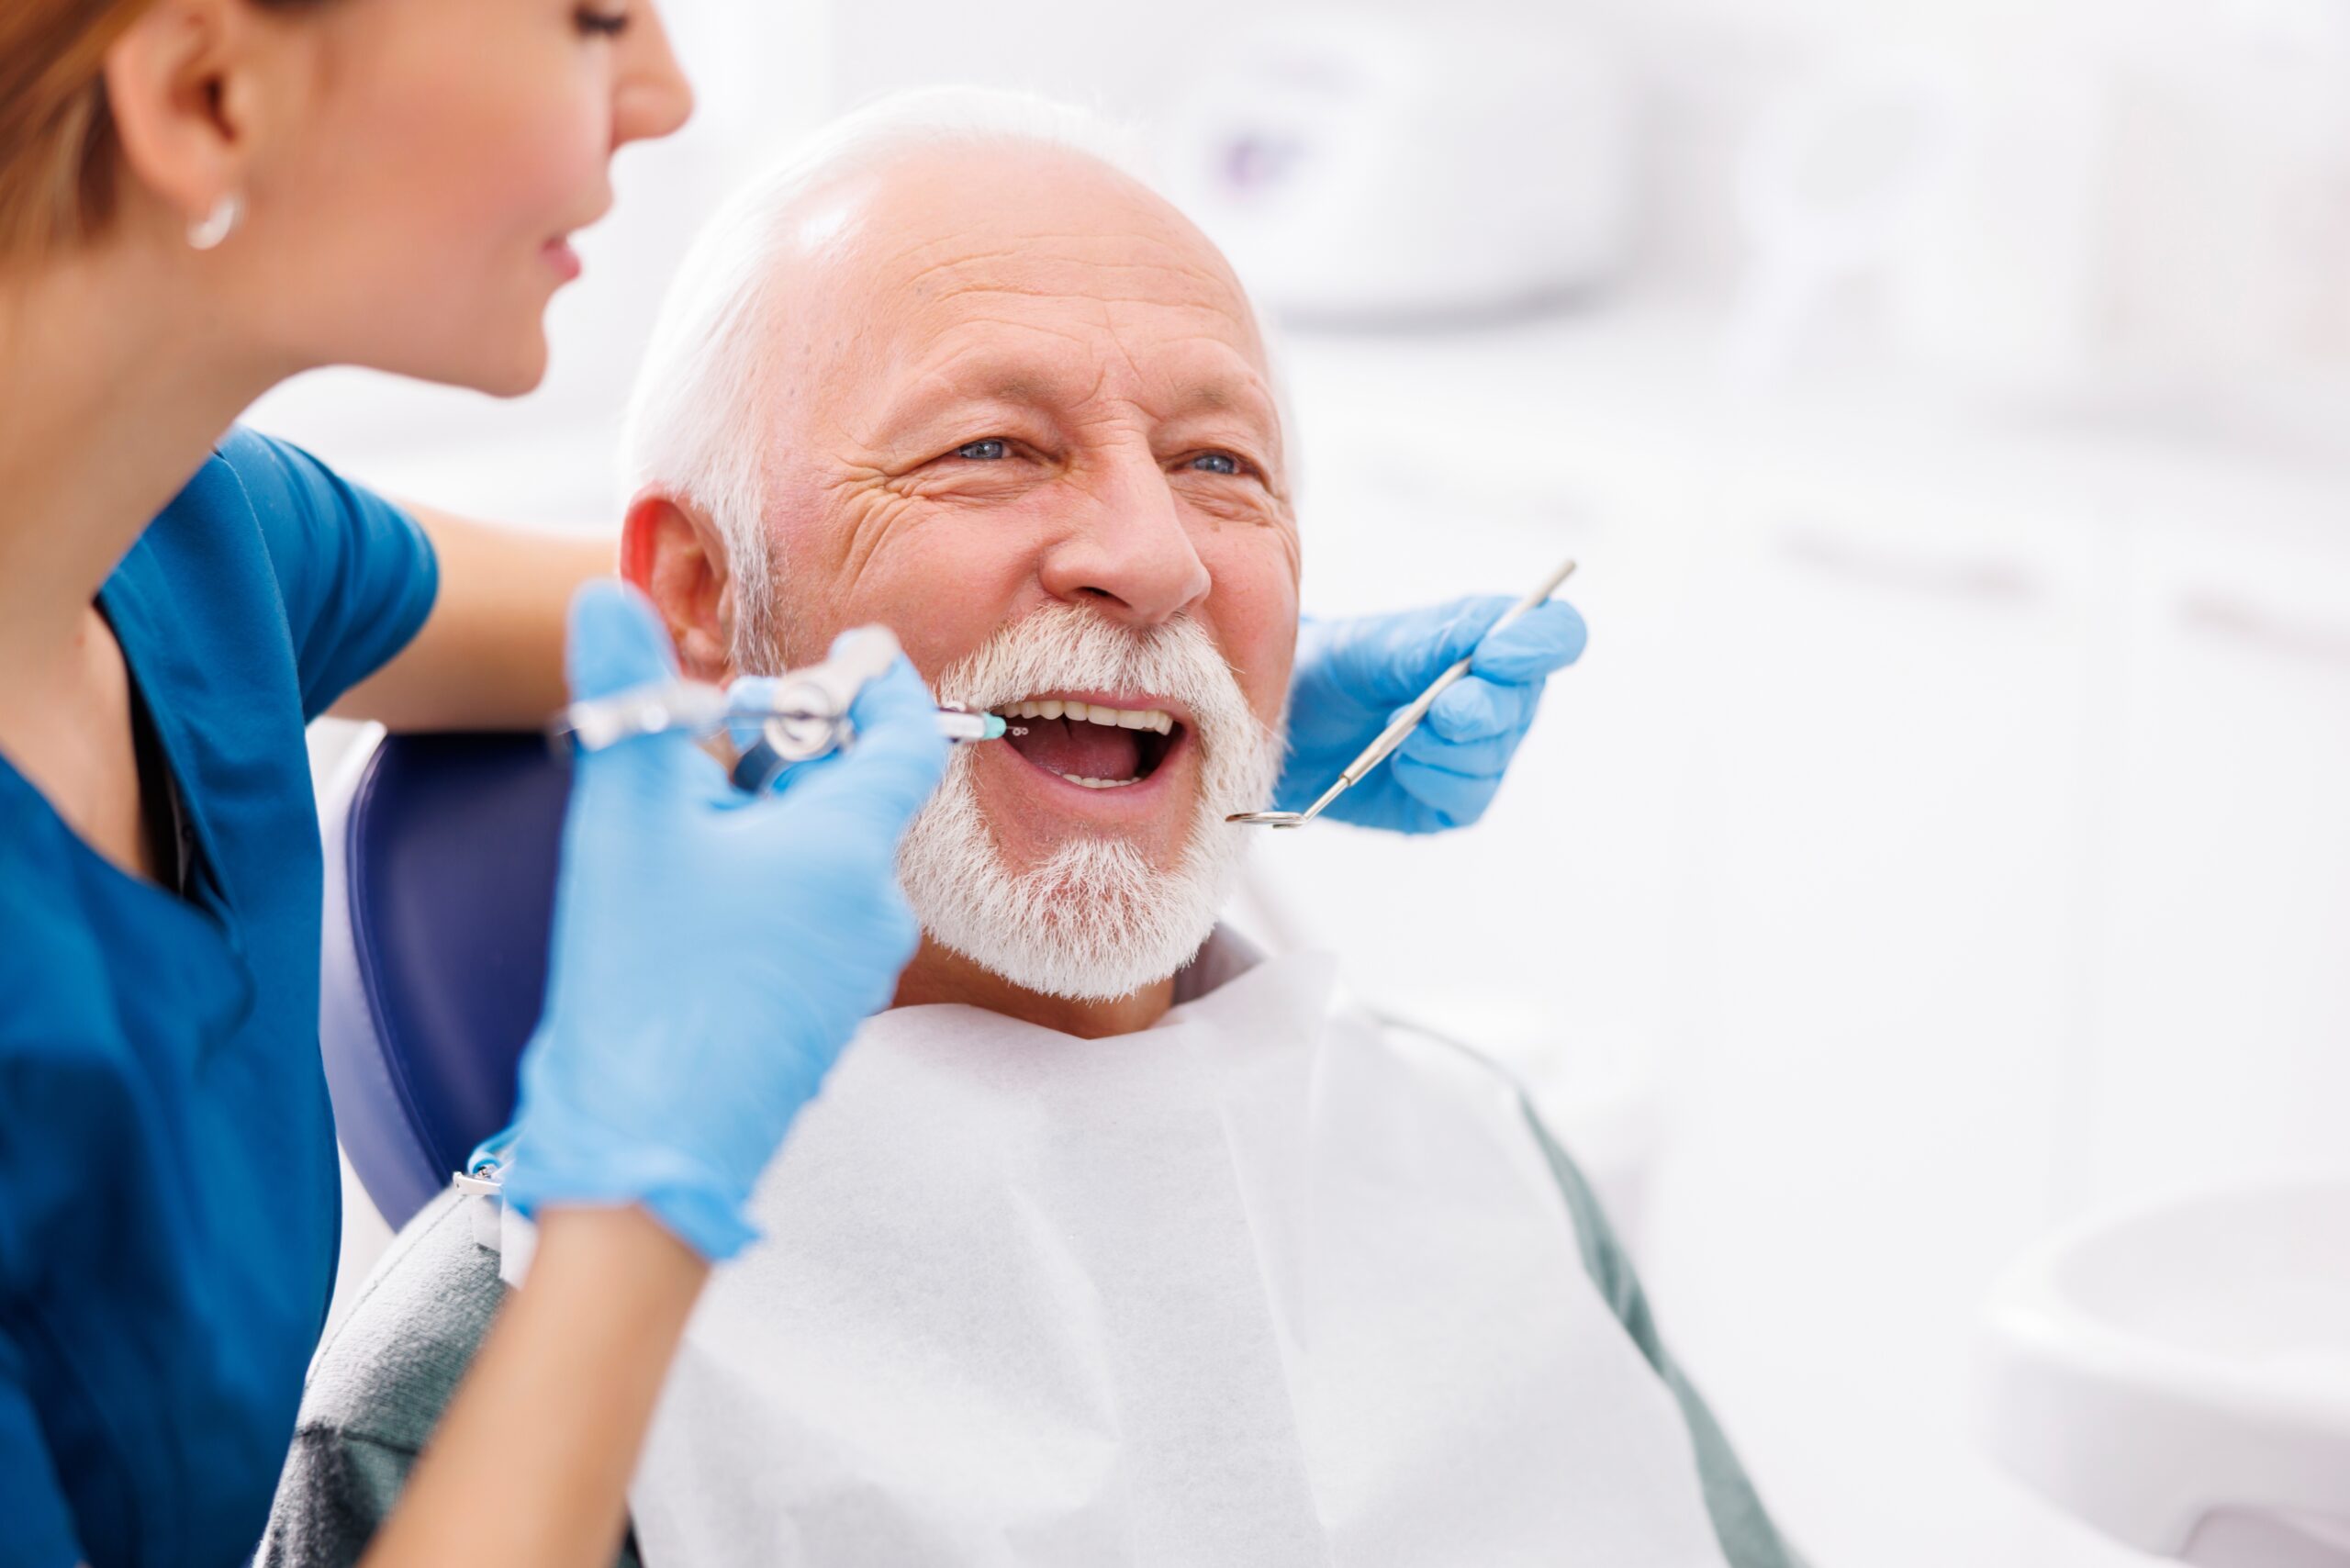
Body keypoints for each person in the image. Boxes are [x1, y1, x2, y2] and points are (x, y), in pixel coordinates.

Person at [0, 11, 1583, 1568]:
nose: (672, 88)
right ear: (209, 94)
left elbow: (703, 624)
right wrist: (637, 1184)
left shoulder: (200, 546)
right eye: (589, 17)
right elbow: (710, 596)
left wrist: (1179, 687)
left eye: (1219, 465)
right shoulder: (434, 1385)